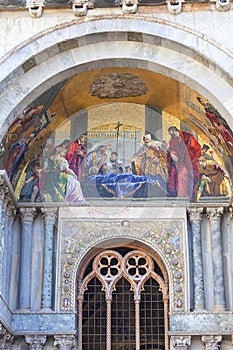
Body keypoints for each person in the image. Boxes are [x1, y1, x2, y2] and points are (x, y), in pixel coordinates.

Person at [167, 126, 202, 198]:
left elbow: (194, 147)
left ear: (174, 131)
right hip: (180, 162)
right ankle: (182, 194)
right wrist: (172, 154)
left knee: (186, 175)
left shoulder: (187, 136)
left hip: (189, 160)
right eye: (170, 134)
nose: (171, 135)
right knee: (178, 175)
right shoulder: (173, 140)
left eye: (171, 133)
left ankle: (186, 194)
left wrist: (188, 155)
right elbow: (172, 149)